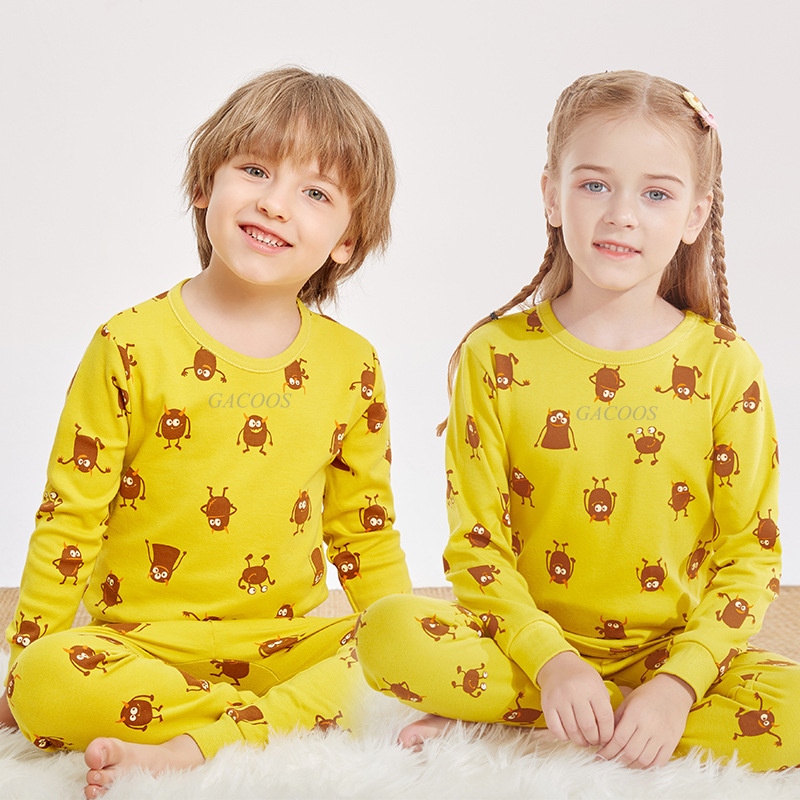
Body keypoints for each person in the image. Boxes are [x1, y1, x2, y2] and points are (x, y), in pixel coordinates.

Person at [356, 70, 799, 771]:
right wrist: (552, 663)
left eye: (656, 194)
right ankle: (579, 711)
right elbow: (477, 546)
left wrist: (679, 685)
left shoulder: (726, 364)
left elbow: (752, 555)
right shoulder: (494, 355)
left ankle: (554, 722)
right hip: (528, 651)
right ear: (551, 195)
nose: (622, 214)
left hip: (668, 658)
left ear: (695, 215)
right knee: (387, 632)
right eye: (595, 185)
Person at [2, 66, 411, 797]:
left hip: (285, 642)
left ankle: (195, 742)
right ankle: (258, 726)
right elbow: (70, 517)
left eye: (315, 193)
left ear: (346, 241)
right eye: (255, 170)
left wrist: (408, 647)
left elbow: (365, 532)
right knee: (45, 681)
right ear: (204, 185)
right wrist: (25, 656)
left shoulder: (352, 365)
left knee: (417, 650)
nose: (274, 203)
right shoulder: (128, 344)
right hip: (140, 646)